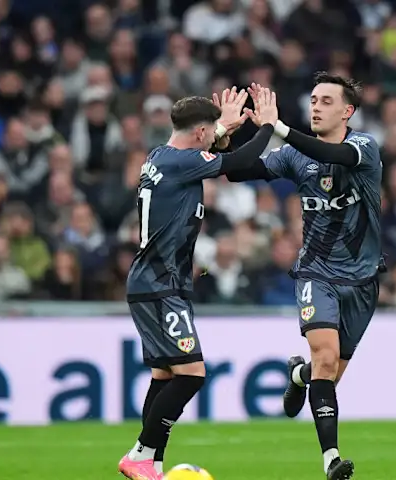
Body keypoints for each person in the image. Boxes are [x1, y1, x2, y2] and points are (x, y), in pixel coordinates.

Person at [117, 87, 279, 480]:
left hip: (153, 283)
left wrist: (223, 125)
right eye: (211, 134)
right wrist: (268, 127)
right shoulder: (180, 162)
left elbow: (211, 146)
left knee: (165, 376)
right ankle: (141, 453)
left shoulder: (161, 155)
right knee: (192, 373)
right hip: (161, 285)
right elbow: (238, 159)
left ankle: (151, 463)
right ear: (200, 135)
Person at [228, 73, 383, 480]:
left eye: (327, 101)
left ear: (347, 111)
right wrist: (253, 132)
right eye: (313, 99)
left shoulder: (364, 147)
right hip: (317, 273)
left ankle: (298, 376)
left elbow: (337, 158)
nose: (316, 106)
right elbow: (237, 172)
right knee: (326, 359)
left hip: (363, 281)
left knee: (325, 374)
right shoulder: (295, 156)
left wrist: (280, 128)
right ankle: (331, 459)